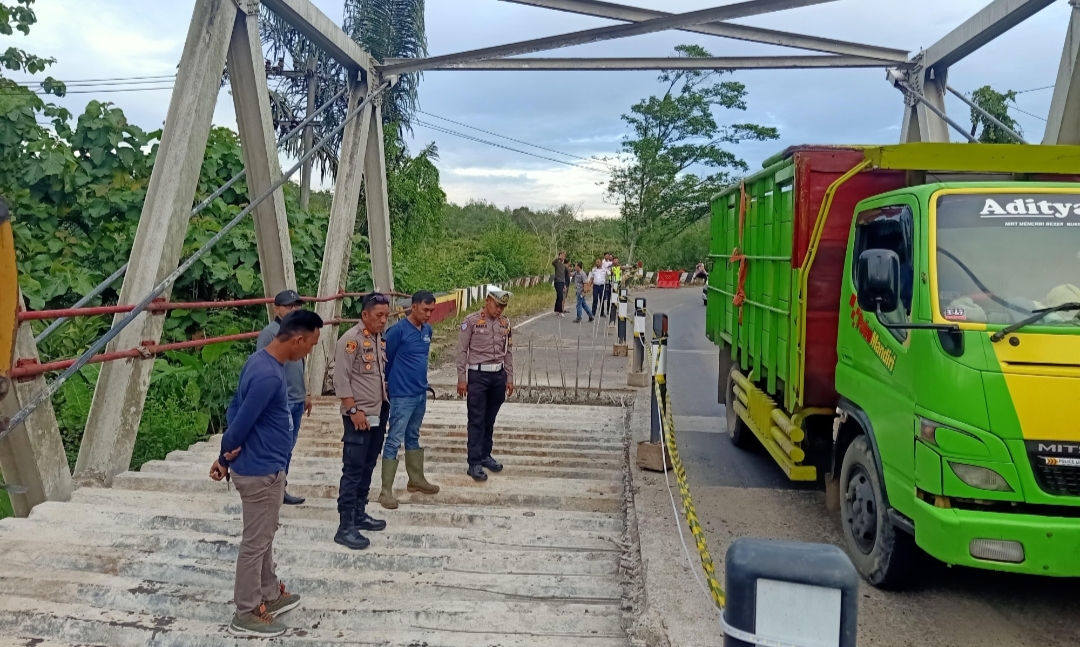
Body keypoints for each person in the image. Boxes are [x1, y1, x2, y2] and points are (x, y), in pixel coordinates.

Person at [210, 309, 323, 638]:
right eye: (312, 345)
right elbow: (239, 424)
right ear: (298, 339)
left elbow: (234, 405)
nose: (309, 352)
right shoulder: (270, 376)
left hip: (266, 467)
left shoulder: (258, 361)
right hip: (260, 471)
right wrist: (224, 455)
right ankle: (245, 611)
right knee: (255, 543)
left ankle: (269, 593)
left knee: (264, 535)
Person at [332, 293, 391, 551]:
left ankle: (359, 513)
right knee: (353, 470)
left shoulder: (378, 339)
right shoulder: (350, 341)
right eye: (378, 315)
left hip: (378, 414)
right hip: (359, 417)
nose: (383, 320)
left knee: (368, 466)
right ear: (365, 315)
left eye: (386, 316)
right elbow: (341, 380)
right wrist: (353, 410)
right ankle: (345, 526)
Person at [379, 290, 440, 510]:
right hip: (401, 395)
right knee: (394, 439)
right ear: (413, 307)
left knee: (413, 436)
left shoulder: (427, 331)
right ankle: (386, 490)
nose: (428, 314)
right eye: (425, 310)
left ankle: (416, 479)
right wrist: (386, 385)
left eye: (431, 310)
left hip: (419, 394)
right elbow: (386, 360)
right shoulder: (397, 331)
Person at [255, 289, 311, 506]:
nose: (294, 309)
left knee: (288, 445)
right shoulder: (270, 334)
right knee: (277, 446)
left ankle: (280, 488)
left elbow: (299, 364)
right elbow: (263, 368)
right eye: (289, 306)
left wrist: (305, 393)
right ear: (277, 308)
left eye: (297, 306)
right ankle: (270, 490)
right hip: (281, 401)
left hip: (296, 399)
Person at [456, 287, 514, 481]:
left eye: (503, 307)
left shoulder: (505, 323)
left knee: (489, 419)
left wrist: (509, 377)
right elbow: (462, 351)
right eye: (497, 305)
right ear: (488, 300)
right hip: (477, 375)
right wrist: (462, 378)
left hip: (498, 376)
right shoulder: (471, 321)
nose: (500, 310)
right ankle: (473, 462)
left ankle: (485, 455)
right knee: (476, 420)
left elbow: (508, 352)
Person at [552, 252, 567, 317]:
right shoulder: (557, 263)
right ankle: (560, 311)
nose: (563, 257)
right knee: (560, 296)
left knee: (559, 296)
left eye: (564, 256)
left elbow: (563, 275)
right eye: (562, 255)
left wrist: (564, 284)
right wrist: (558, 258)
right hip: (557, 281)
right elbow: (553, 263)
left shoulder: (563, 265)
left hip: (562, 282)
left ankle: (556, 310)